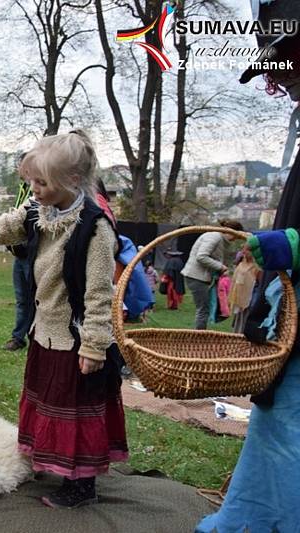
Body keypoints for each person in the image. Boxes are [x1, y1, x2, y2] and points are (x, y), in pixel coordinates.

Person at [0, 130, 128, 508]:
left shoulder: (95, 227)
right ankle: (54, 462)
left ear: (71, 180)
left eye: (40, 182)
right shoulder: (40, 212)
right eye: (30, 180)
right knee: (48, 402)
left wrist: (95, 347)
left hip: (76, 340)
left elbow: (101, 294)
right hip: (45, 332)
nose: (32, 189)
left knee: (74, 411)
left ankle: (80, 486)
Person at [197, 3, 300, 530]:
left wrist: (295, 244)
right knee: (279, 435)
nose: (281, 80)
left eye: (285, 60)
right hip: (292, 331)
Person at [180, 219, 243, 329]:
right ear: (230, 232)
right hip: (196, 276)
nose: (234, 240)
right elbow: (201, 256)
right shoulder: (214, 237)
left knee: (205, 308)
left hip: (201, 277)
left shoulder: (218, 238)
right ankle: (200, 337)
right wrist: (220, 267)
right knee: (203, 309)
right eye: (235, 236)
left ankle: (200, 334)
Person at [5, 179, 34, 351]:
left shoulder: (38, 192)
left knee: (37, 297)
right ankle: (18, 337)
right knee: (22, 299)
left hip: (31, 256)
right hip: (18, 255)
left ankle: (36, 337)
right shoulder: (23, 189)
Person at [229, 248, 260, 334]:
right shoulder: (241, 264)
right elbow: (235, 280)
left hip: (250, 298)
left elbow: (259, 283)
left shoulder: (257, 267)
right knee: (239, 318)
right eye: (244, 250)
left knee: (246, 318)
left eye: (248, 250)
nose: (244, 252)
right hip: (239, 297)